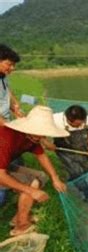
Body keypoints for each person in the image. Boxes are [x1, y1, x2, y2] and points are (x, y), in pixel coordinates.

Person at [0, 105, 69, 236]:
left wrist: (55, 178)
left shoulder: (32, 137)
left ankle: (18, 218)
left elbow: (41, 156)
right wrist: (31, 191)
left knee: (41, 176)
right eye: (38, 131)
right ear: (29, 126)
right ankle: (21, 226)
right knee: (30, 184)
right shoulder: (5, 137)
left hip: (3, 166)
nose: (41, 136)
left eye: (43, 132)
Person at [42, 105, 88, 202]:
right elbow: (38, 131)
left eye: (81, 124)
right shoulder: (55, 120)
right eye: (76, 125)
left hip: (85, 150)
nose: (79, 127)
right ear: (68, 119)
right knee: (76, 174)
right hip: (66, 152)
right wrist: (46, 142)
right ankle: (87, 196)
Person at [0, 44, 24, 207]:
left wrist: (16, 107)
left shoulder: (2, 78)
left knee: (15, 160)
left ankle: (15, 189)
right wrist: (8, 127)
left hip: (5, 123)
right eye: (9, 64)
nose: (12, 68)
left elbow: (8, 92)